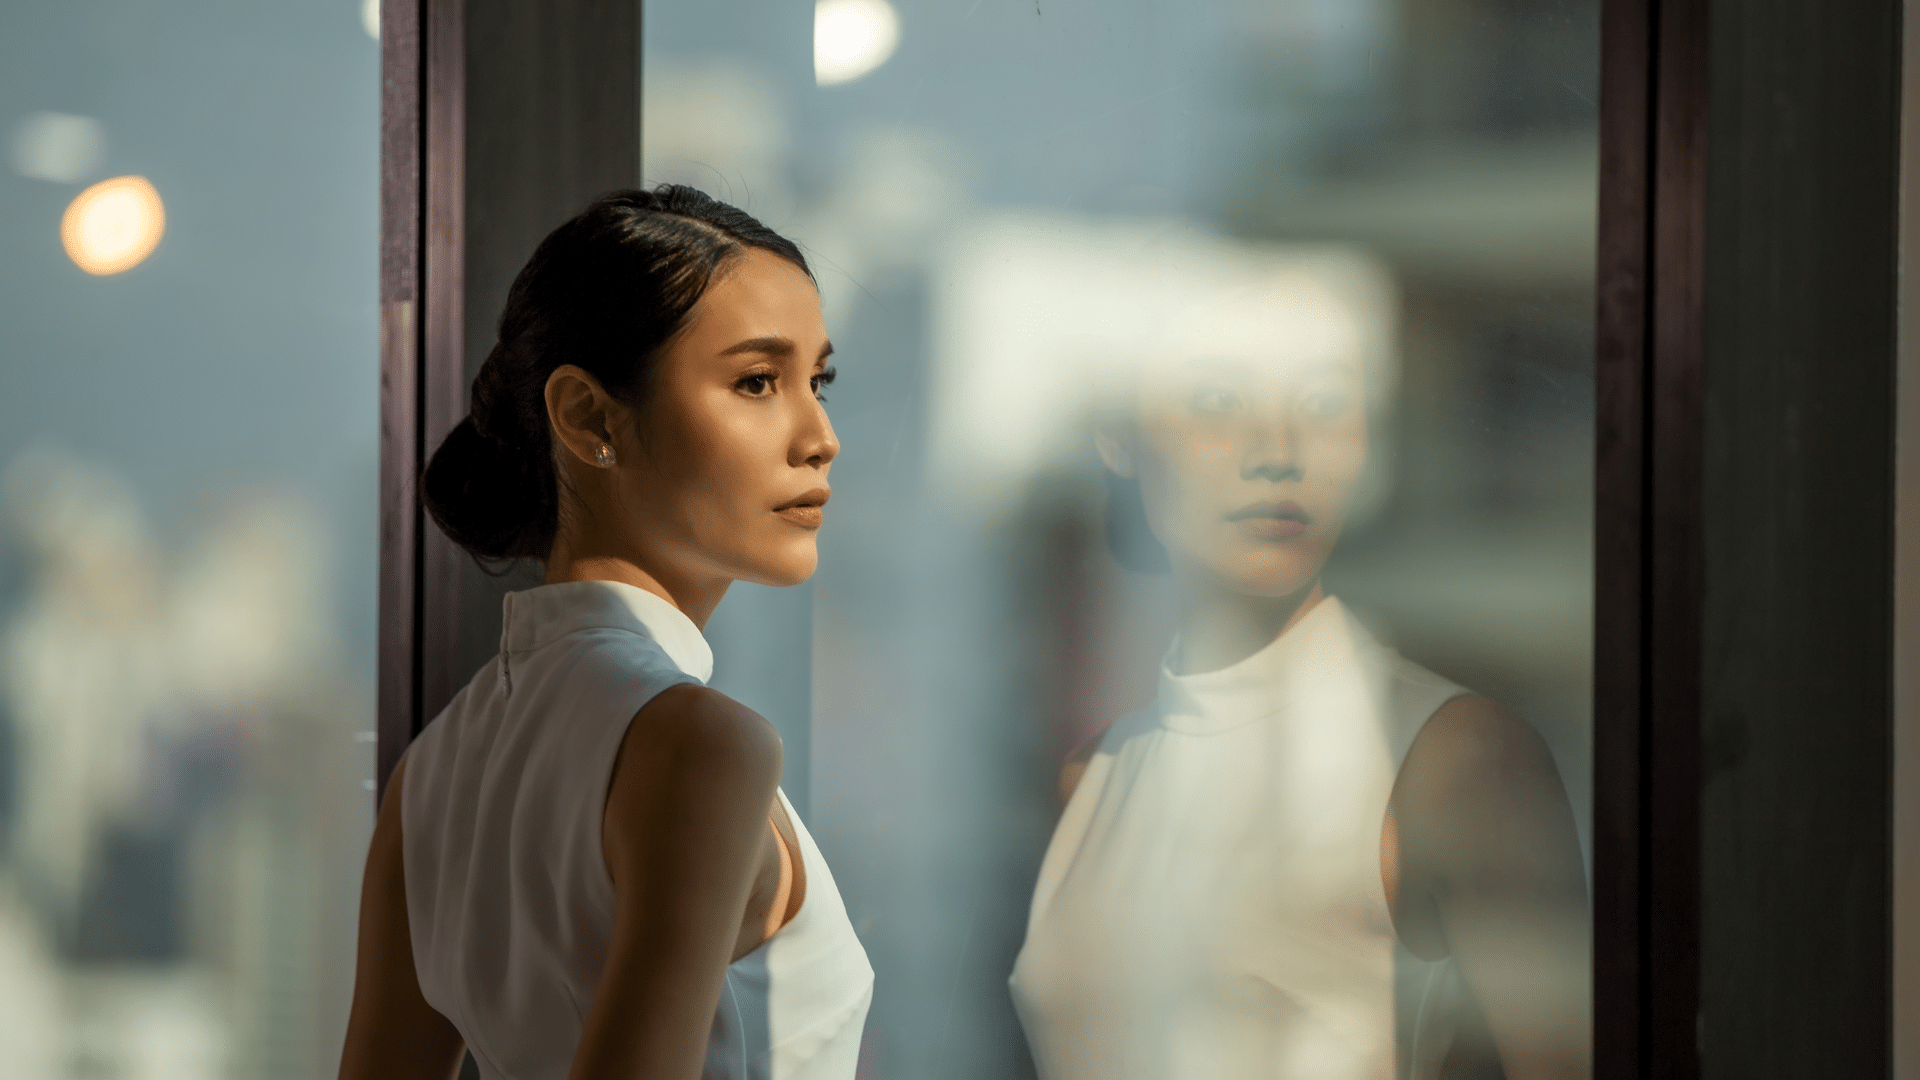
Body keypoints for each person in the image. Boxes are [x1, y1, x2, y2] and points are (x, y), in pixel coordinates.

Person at [338, 186, 872, 1080]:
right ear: (589, 416)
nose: (821, 437)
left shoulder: (429, 775)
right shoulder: (700, 745)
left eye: (818, 382)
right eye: (756, 382)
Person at [1009, 274, 1590, 1080]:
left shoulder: (1453, 760)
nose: (1277, 454)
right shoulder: (1094, 776)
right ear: (1125, 439)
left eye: (1323, 406)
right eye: (1218, 404)